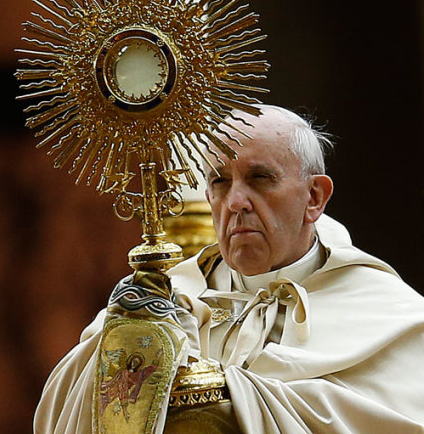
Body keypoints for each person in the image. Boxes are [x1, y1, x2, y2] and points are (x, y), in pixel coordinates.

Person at [34, 105, 424, 433]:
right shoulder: (169, 297)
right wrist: (122, 342)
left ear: (314, 197)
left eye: (260, 179)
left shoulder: (389, 315)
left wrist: (223, 390)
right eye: (220, 182)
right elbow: (60, 414)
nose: (235, 201)